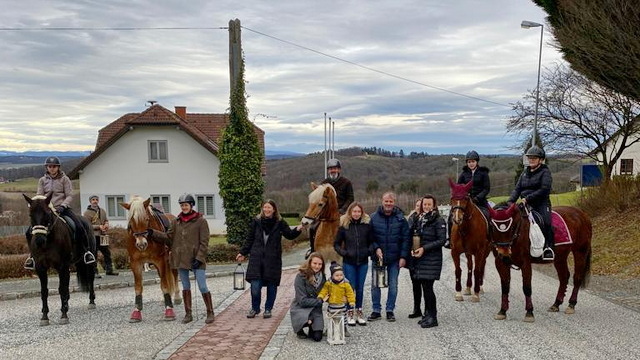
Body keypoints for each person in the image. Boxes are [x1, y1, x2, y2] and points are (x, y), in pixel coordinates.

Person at [149, 194, 214, 324]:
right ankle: (188, 313)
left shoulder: (201, 221)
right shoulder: (176, 222)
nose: (184, 207)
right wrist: (153, 233)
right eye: (182, 205)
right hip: (181, 259)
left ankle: (210, 312)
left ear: (191, 205)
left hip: (196, 259)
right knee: (185, 287)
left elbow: (204, 242)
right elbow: (168, 238)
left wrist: (199, 258)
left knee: (202, 286)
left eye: (186, 205)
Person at [24, 156, 95, 270]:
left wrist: (63, 206)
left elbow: (69, 195)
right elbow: (40, 196)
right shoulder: (42, 180)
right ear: (47, 167)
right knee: (28, 232)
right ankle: (32, 257)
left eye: (54, 166)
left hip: (63, 209)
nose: (52, 168)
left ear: (58, 167)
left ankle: (86, 253)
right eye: (50, 166)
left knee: (79, 226)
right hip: (47, 211)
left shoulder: (64, 179)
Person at [236, 200, 303, 319]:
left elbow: (289, 234)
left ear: (274, 209)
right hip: (256, 259)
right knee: (255, 287)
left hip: (273, 260)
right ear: (262, 209)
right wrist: (243, 252)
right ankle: (255, 308)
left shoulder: (280, 222)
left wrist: (298, 228)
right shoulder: (256, 222)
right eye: (265, 207)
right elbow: (249, 239)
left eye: (269, 208)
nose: (267, 210)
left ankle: (268, 309)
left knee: (272, 286)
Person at [368, 191, 410, 322]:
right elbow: (369, 237)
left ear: (394, 203)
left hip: (394, 258)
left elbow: (406, 239)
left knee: (393, 285)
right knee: (375, 285)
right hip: (378, 258)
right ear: (382, 201)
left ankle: (390, 310)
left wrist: (403, 257)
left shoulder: (401, 218)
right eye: (386, 201)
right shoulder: (373, 218)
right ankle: (376, 310)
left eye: (391, 201)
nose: (388, 204)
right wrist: (376, 248)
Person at [508, 145, 554, 260]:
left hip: (541, 204)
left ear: (541, 160)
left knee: (546, 222)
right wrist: (510, 202)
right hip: (525, 205)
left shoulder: (545, 172)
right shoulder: (524, 173)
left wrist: (527, 198)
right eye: (530, 158)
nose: (531, 160)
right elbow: (517, 189)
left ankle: (548, 247)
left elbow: (544, 190)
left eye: (534, 158)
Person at [333, 201, 374, 326]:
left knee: (360, 288)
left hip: (363, 262)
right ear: (350, 212)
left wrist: (368, 251)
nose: (356, 214)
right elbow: (336, 244)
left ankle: (359, 311)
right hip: (349, 262)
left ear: (362, 213)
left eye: (358, 211)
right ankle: (350, 311)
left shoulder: (366, 226)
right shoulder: (344, 226)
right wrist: (344, 253)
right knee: (350, 287)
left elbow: (372, 242)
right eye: (354, 211)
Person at [307, 158, 354, 257]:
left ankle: (351, 248)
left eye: (335, 168)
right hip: (326, 213)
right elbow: (320, 198)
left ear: (339, 170)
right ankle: (312, 250)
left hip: (342, 211)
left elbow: (350, 198)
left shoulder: (346, 182)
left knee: (350, 228)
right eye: (331, 169)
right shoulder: (324, 183)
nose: (333, 170)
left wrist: (343, 209)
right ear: (328, 171)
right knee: (312, 228)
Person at [411, 195, 446, 328]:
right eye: (424, 204)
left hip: (432, 259)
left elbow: (441, 240)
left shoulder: (438, 220)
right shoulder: (420, 218)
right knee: (425, 288)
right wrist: (413, 248)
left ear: (434, 205)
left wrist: (424, 248)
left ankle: (433, 317)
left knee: (428, 288)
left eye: (429, 204)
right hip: (421, 258)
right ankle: (428, 315)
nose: (426, 207)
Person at [445, 150, 491, 249]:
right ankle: (450, 240)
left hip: (480, 200)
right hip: (465, 202)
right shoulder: (464, 174)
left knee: (489, 215)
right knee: (451, 217)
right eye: (469, 162)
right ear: (467, 163)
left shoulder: (483, 173)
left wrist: (478, 198)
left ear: (477, 162)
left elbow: (486, 188)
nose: (471, 164)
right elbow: (458, 188)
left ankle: (491, 238)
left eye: (473, 161)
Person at [290, 252, 326, 342]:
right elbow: (302, 301)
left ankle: (312, 327)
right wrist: (320, 301)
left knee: (317, 337)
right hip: (301, 308)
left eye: (320, 264)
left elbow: (326, 292)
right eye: (315, 263)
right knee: (304, 320)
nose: (317, 266)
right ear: (309, 263)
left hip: (315, 309)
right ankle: (300, 328)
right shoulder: (300, 276)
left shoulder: (323, 277)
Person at [317, 263, 356, 339]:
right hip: (332, 305)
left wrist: (351, 301)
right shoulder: (329, 283)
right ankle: (329, 329)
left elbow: (350, 293)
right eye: (337, 275)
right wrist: (320, 296)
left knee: (343, 317)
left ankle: (344, 328)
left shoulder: (346, 284)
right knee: (331, 317)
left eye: (341, 275)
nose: (339, 277)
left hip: (341, 304)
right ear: (332, 275)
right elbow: (324, 290)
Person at [83, 195, 118, 277]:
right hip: (93, 236)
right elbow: (87, 226)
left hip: (102, 236)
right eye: (93, 200)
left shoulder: (102, 211)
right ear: (90, 201)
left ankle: (109, 270)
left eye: (96, 200)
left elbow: (106, 220)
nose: (95, 201)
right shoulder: (86, 213)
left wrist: (106, 224)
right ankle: (94, 272)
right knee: (94, 254)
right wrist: (98, 227)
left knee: (107, 253)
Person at [406, 198, 424, 319]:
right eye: (417, 205)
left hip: (424, 254)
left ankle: (428, 310)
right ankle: (416, 308)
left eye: (420, 205)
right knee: (415, 284)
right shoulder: (411, 219)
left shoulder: (428, 219)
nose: (418, 207)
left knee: (426, 285)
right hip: (412, 255)